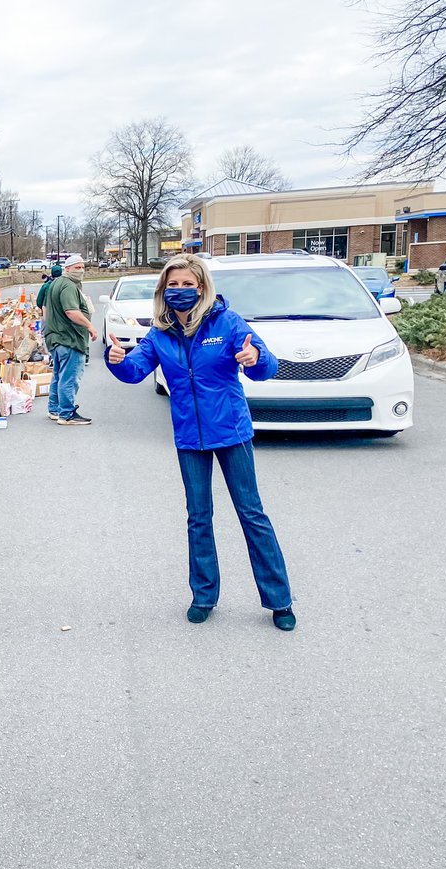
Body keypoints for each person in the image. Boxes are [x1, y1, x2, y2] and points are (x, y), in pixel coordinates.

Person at [106, 253, 295, 631]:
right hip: (190, 438)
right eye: (172, 285)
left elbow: (267, 367)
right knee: (198, 517)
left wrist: (255, 357)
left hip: (231, 432)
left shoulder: (227, 323)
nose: (179, 291)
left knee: (252, 514)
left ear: (202, 287)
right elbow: (133, 372)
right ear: (163, 290)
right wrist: (116, 360)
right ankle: (204, 595)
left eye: (187, 284)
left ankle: (280, 601)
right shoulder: (160, 335)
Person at [43, 254, 96, 424]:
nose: (80, 271)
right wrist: (89, 326)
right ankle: (66, 413)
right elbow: (71, 311)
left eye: (82, 267)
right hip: (68, 339)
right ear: (67, 269)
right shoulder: (68, 286)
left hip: (56, 338)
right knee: (69, 377)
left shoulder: (55, 283)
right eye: (77, 267)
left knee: (58, 375)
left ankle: (55, 409)